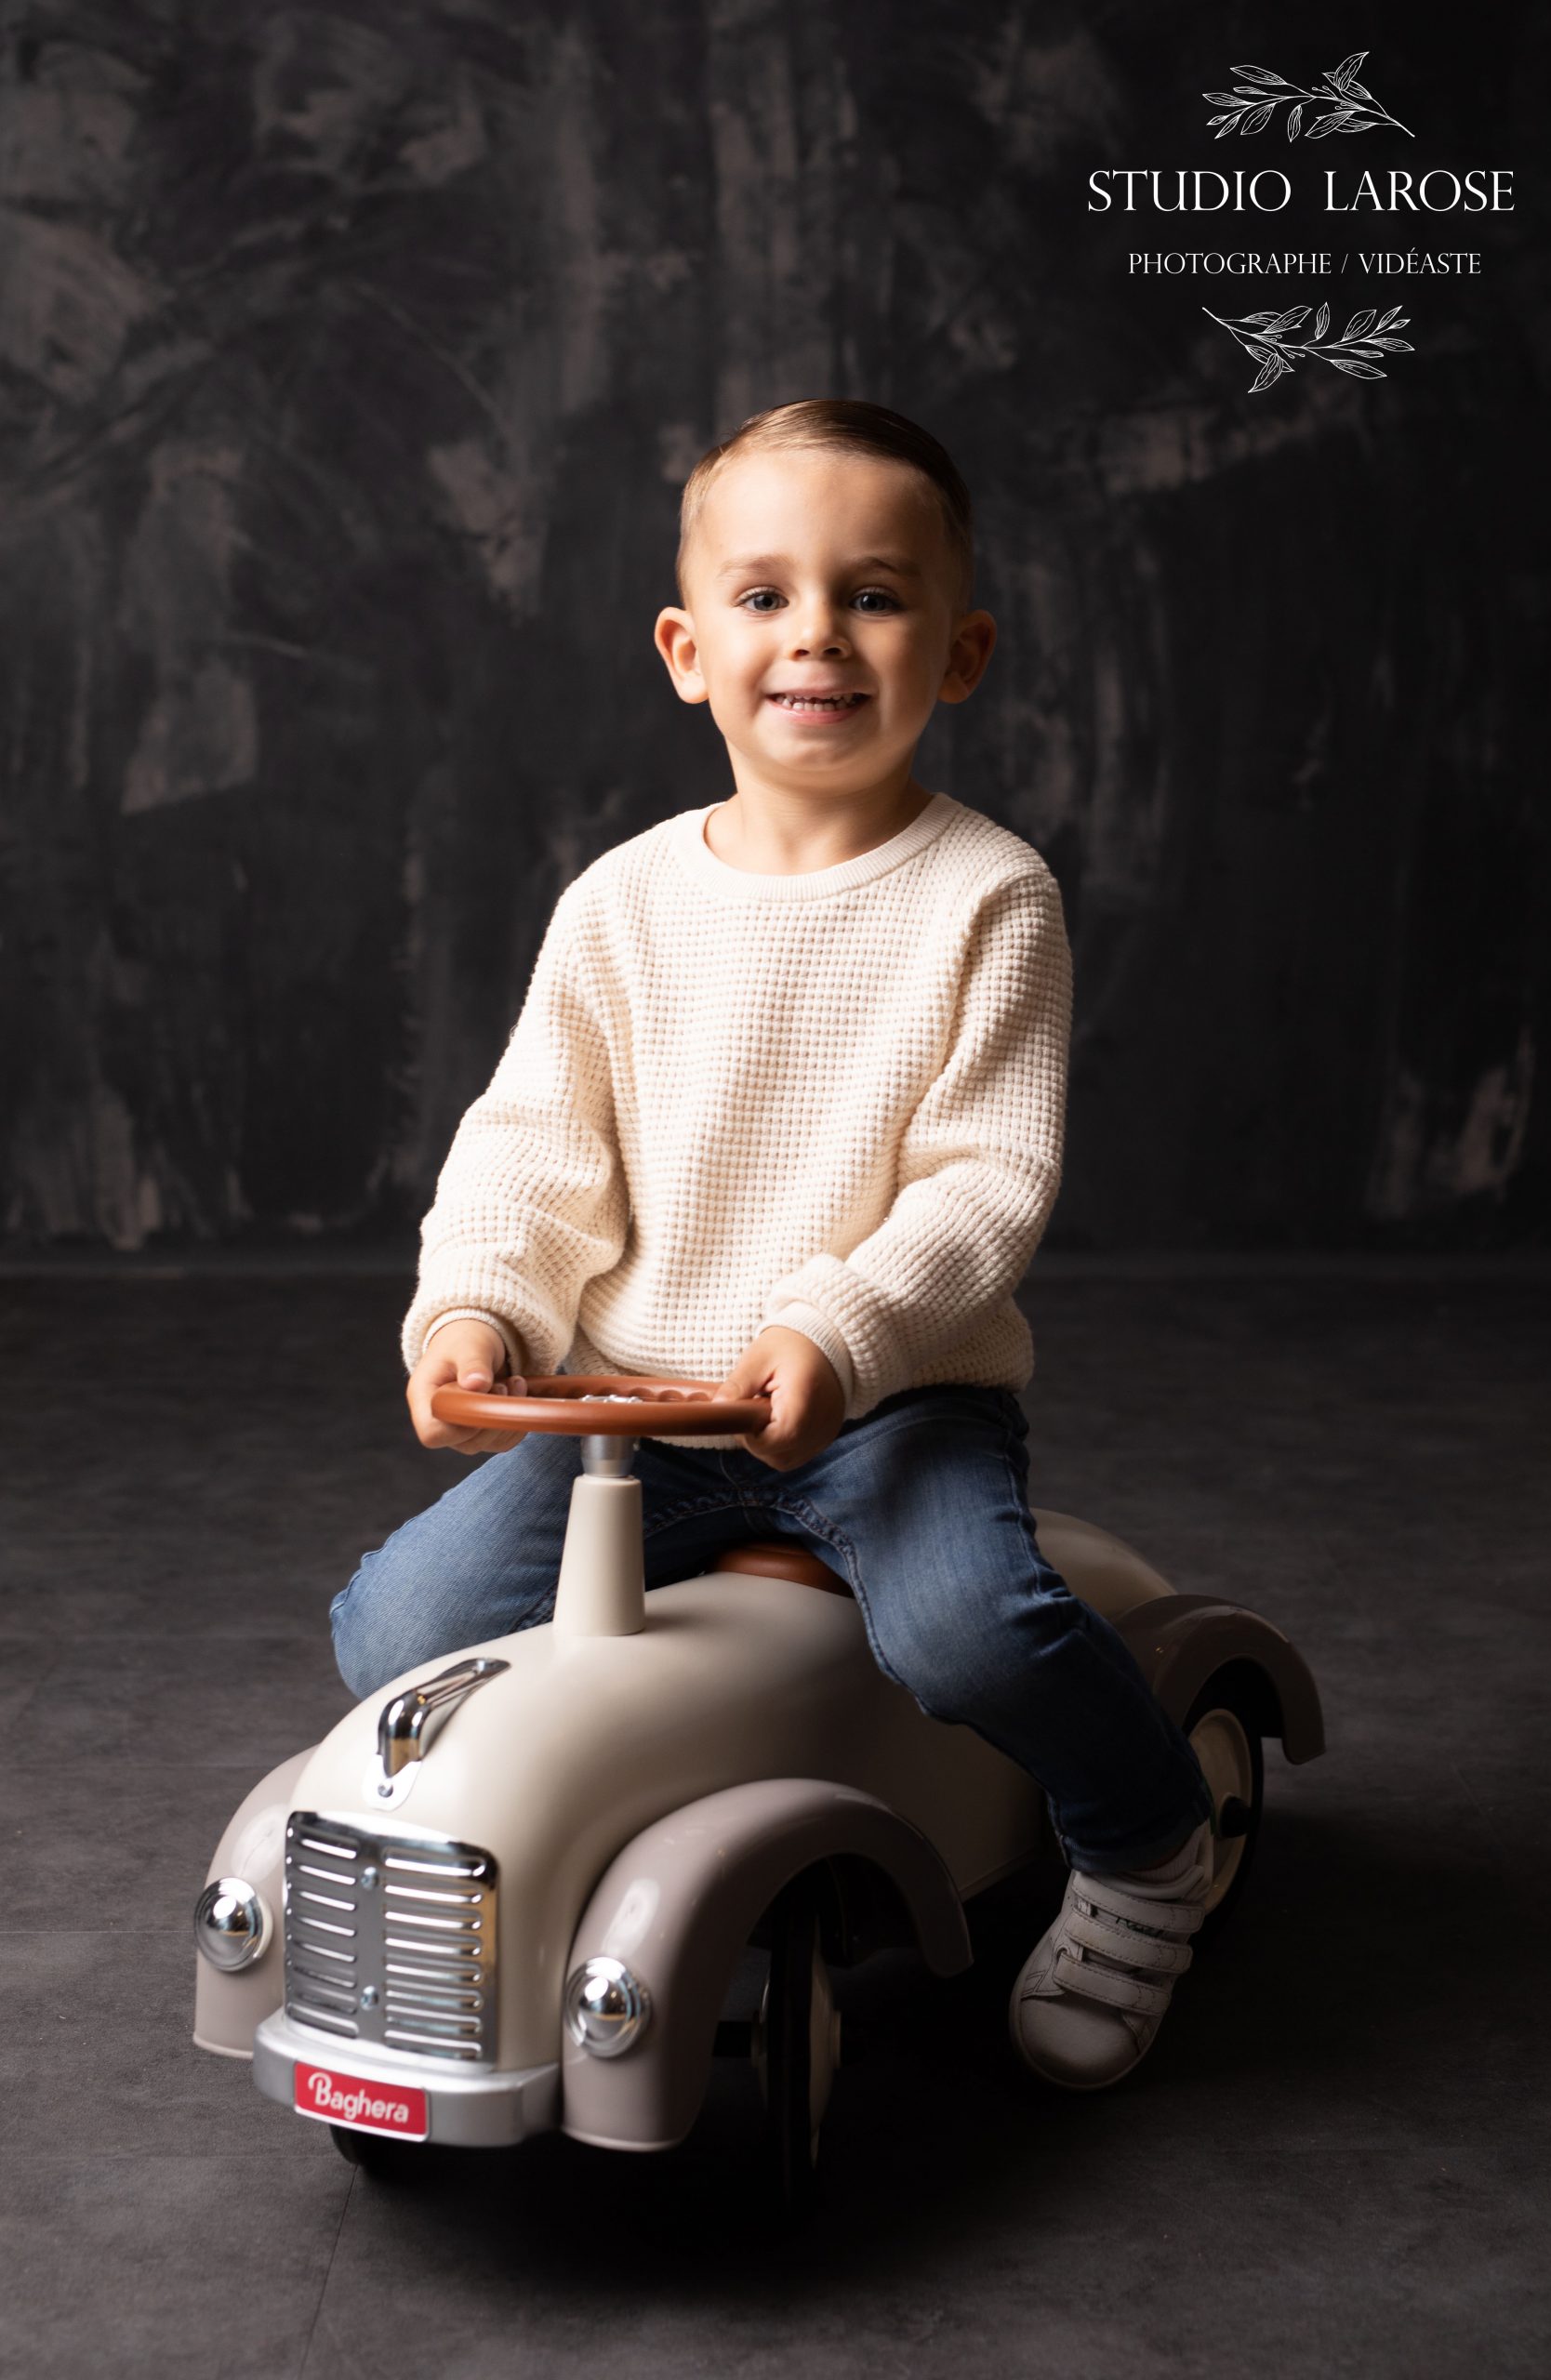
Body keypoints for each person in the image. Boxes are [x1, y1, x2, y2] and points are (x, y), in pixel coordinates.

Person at [330, 398, 1216, 2091]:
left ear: (958, 653)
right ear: (686, 650)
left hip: (886, 1403)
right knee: (398, 1623)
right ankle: (593, 1841)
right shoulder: (620, 904)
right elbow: (535, 1148)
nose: (816, 632)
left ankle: (1143, 1848)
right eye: (765, 597)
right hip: (638, 1416)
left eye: (874, 596)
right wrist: (481, 1309)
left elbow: (983, 1182)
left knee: (972, 1628)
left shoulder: (986, 895)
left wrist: (837, 1327)